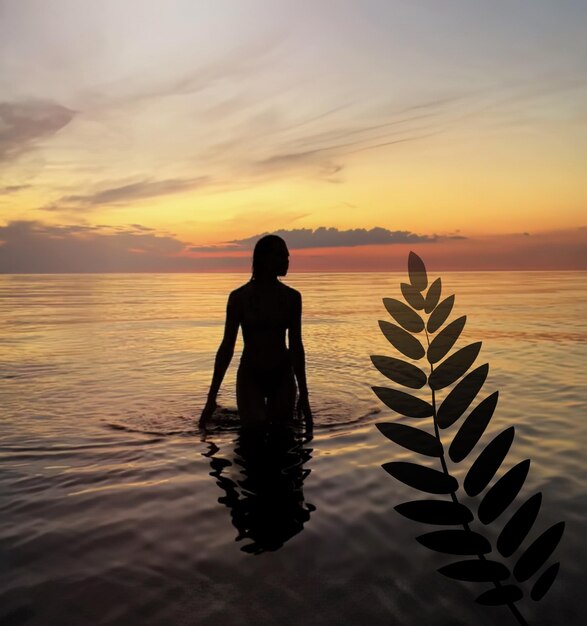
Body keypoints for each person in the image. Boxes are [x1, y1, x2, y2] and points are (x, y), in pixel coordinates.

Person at [199, 234, 312, 430]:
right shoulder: (239, 298)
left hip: (282, 374)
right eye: (281, 256)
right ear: (265, 259)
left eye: (287, 256)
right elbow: (227, 347)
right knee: (253, 434)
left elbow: (296, 346)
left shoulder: (292, 298)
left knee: (283, 436)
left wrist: (304, 394)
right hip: (251, 375)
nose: (287, 261)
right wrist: (211, 397)